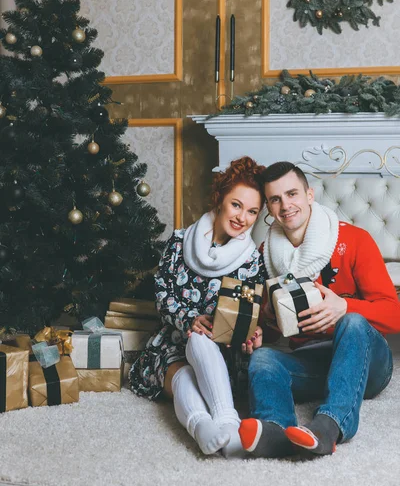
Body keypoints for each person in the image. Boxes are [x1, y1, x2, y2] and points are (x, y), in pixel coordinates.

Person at [239, 161, 400, 458]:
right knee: (263, 359)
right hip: (311, 361)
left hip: (366, 362)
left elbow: (395, 314)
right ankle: (274, 430)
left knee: (352, 321)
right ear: (268, 209)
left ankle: (329, 427)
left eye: (292, 194)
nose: (285, 205)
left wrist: (345, 306)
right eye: (275, 199)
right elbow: (272, 330)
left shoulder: (354, 239)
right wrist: (268, 323)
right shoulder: (265, 254)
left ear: (309, 195)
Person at [130, 156, 267, 457]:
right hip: (173, 342)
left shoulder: (251, 259)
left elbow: (249, 315)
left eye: (252, 211)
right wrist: (188, 319)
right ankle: (203, 427)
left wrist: (251, 333)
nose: (242, 217)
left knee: (203, 339)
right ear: (220, 200)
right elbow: (163, 297)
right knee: (183, 365)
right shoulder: (180, 242)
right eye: (236, 205)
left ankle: (227, 423)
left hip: (219, 352)